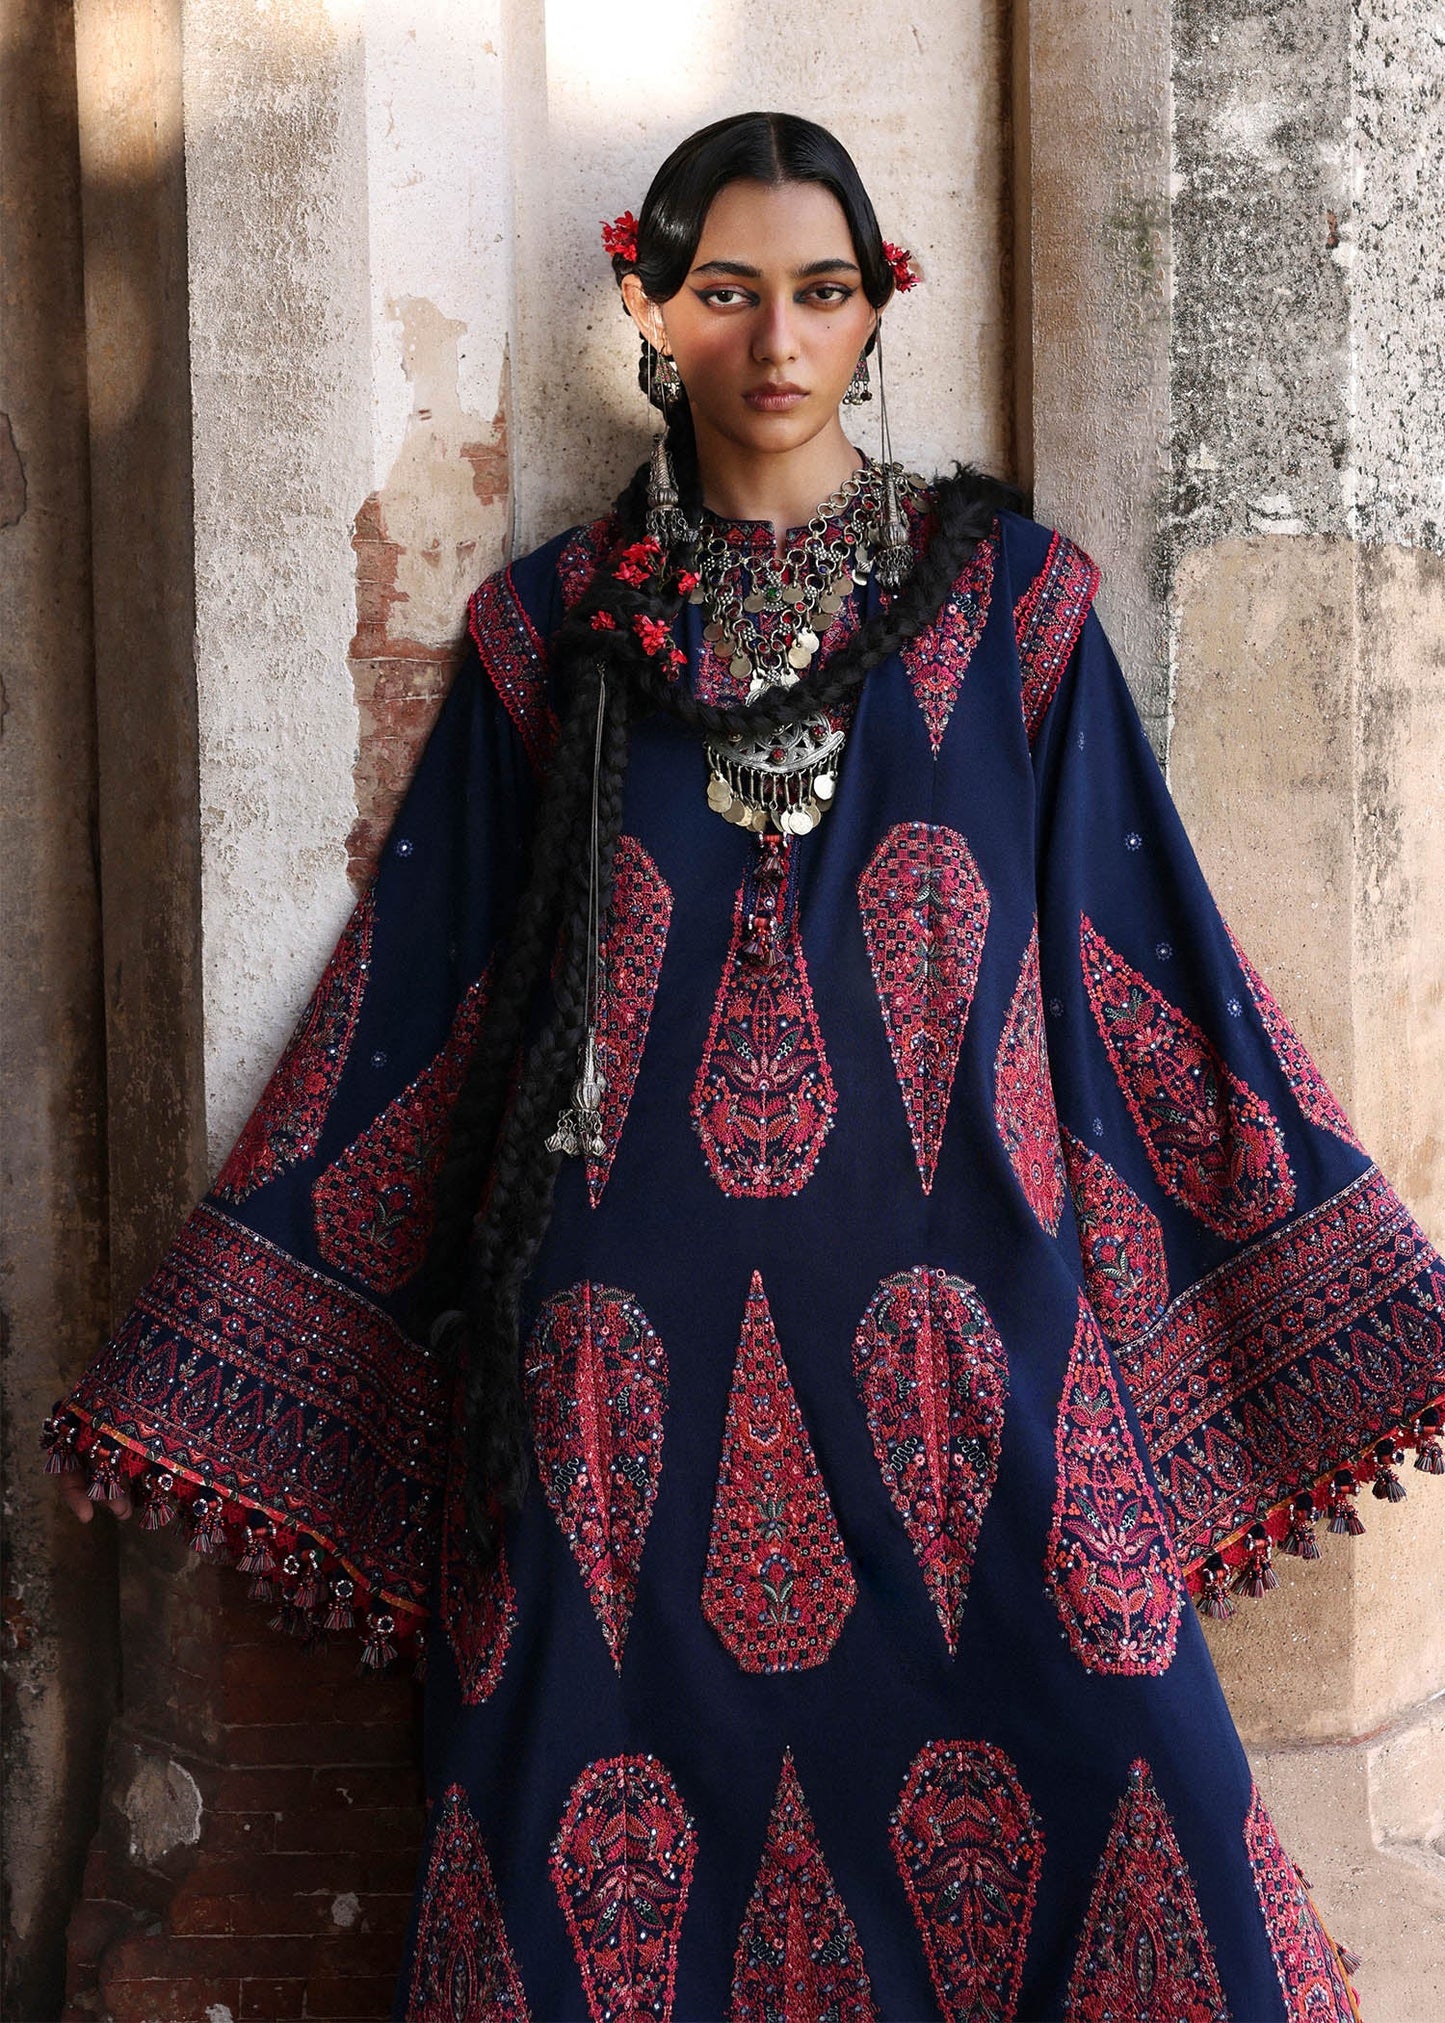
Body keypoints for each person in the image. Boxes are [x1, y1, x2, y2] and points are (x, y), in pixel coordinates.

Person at [48, 110, 1444, 2022]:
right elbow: (429, 1002)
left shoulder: (1012, 613)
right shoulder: (551, 635)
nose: (775, 341)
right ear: (649, 303)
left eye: (819, 292)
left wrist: (1294, 1269)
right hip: (621, 1375)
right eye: (725, 293)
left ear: (882, 306)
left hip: (967, 1344)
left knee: (1131, 1775)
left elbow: (1141, 971)